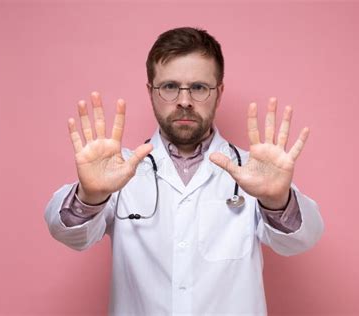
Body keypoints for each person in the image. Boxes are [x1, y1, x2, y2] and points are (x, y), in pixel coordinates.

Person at [44, 26, 324, 315]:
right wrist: (90, 196)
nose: (185, 101)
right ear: (150, 91)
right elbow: (69, 235)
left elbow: (301, 240)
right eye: (169, 87)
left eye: (200, 87)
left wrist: (278, 202)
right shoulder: (119, 172)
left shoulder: (252, 172)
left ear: (219, 92)